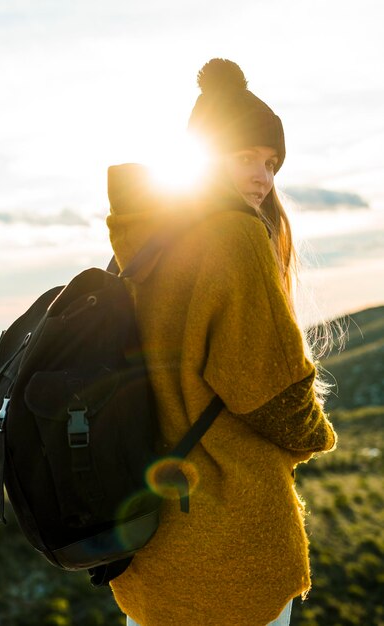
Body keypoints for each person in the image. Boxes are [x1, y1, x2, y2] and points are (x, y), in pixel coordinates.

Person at [106, 58, 337, 626]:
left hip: (147, 546)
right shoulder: (235, 236)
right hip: (234, 550)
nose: (264, 177)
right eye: (245, 158)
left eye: (271, 162)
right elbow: (272, 393)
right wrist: (316, 435)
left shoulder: (139, 245)